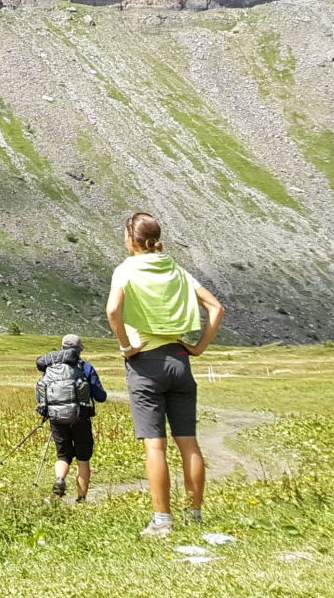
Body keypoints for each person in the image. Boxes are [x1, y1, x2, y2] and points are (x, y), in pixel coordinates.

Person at [105, 212, 225, 538]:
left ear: (131, 239)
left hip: (145, 363)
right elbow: (216, 308)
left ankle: (162, 520)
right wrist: (198, 347)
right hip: (180, 359)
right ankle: (195, 515)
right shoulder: (178, 269)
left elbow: (113, 310)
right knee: (189, 443)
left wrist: (125, 346)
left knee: (155, 447)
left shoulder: (126, 269)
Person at [34, 333, 107, 501]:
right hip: (81, 417)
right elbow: (100, 396)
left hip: (57, 418)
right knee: (83, 458)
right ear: (79, 349)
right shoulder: (85, 367)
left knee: (63, 455)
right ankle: (81, 498)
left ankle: (60, 479)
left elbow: (41, 396)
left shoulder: (50, 368)